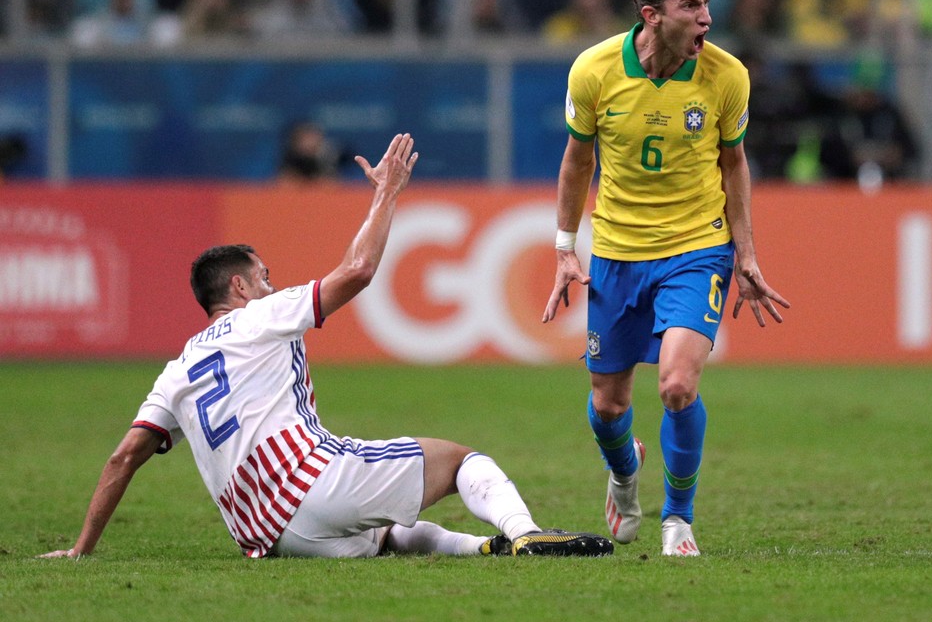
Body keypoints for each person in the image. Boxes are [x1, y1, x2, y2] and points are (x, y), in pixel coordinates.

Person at [39, 133, 613, 562]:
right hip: (309, 486)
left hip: (267, 536)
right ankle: (526, 534)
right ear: (238, 288)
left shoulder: (178, 368)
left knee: (386, 534)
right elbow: (358, 270)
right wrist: (387, 194)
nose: (270, 283)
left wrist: (81, 549)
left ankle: (484, 550)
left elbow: (122, 459)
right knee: (463, 460)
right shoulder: (261, 315)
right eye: (263, 276)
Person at [541, 0, 789, 557]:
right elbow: (578, 161)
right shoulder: (594, 70)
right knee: (608, 404)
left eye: (706, 4)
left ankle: (679, 517)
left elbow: (734, 163)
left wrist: (747, 255)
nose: (708, 17)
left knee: (677, 385)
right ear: (651, 16)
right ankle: (625, 475)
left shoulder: (727, 76)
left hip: (697, 248)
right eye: (691, 6)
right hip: (619, 254)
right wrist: (564, 248)